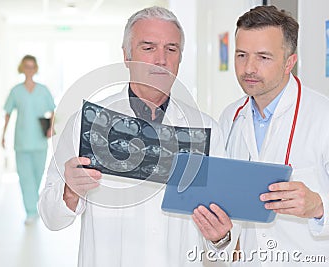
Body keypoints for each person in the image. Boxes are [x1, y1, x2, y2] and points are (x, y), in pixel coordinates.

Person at [38, 6, 228, 267]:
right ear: (127, 56)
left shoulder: (206, 131)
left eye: (171, 49)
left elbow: (223, 235)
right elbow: (51, 217)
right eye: (148, 48)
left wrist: (220, 237)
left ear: (180, 58)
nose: (161, 59)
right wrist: (70, 191)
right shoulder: (86, 122)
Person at [193, 5, 329, 266]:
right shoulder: (230, 117)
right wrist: (221, 237)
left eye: (263, 57)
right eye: (241, 55)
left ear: (289, 61)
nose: (249, 68)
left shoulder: (323, 116)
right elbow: (232, 211)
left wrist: (318, 206)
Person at [2, 55, 56, 225]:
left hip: (39, 141)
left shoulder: (43, 90)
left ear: (36, 69)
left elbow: (53, 111)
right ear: (22, 68)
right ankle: (31, 211)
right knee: (25, 177)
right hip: (22, 141)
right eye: (27, 66)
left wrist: (51, 128)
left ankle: (34, 205)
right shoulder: (16, 91)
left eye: (32, 66)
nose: (29, 70)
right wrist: (2, 135)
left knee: (37, 175)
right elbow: (8, 113)